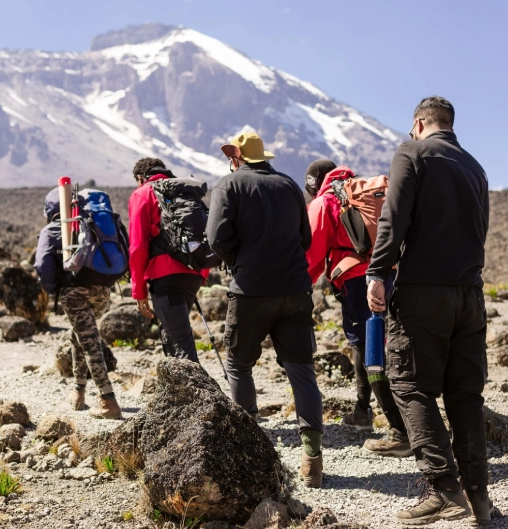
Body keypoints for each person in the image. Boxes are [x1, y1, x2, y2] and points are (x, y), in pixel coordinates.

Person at [366, 96, 491, 525]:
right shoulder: (475, 167)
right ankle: (480, 500)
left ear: (419, 124)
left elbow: (393, 217)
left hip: (423, 293)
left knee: (410, 386)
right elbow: (482, 227)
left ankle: (443, 490)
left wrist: (377, 271)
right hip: (470, 294)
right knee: (465, 395)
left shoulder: (412, 153)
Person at [206, 131, 325, 488]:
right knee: (302, 371)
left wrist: (237, 261)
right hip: (295, 290)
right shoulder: (288, 185)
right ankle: (312, 460)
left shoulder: (230, 184)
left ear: (237, 157)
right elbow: (305, 238)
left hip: (251, 291)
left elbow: (215, 238)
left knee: (239, 366)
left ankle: (250, 450)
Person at [304, 160, 412, 457]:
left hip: (355, 284)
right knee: (368, 345)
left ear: (313, 183)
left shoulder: (327, 201)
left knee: (371, 350)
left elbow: (312, 253)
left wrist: (301, 286)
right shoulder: (365, 194)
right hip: (389, 275)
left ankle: (400, 431)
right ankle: (363, 411)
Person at [34, 187, 123, 420]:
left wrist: (56, 290)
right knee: (81, 334)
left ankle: (108, 400)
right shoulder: (92, 223)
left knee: (90, 342)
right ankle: (79, 391)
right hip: (103, 290)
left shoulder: (54, 229)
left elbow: (42, 266)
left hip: (74, 294)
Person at [128, 157, 208, 362]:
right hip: (194, 273)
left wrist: (139, 290)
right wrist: (202, 272)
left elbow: (137, 246)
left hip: (164, 276)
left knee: (181, 344)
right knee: (171, 334)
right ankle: (174, 390)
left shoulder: (143, 193)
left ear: (140, 178)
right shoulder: (184, 191)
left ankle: (198, 393)